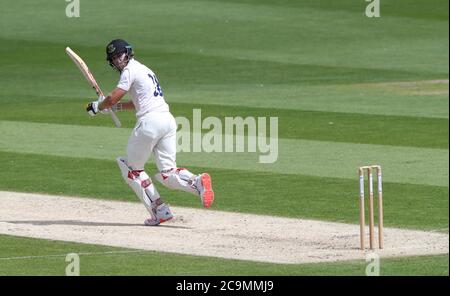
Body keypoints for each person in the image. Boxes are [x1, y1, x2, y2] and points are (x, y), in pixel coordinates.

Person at [86, 39, 214, 226]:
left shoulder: (130, 70)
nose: (117, 60)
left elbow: (113, 97)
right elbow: (137, 100)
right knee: (167, 174)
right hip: (167, 120)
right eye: (113, 58)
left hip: (150, 122)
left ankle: (159, 211)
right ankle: (197, 182)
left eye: (119, 55)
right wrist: (115, 107)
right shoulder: (145, 69)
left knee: (132, 169)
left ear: (128, 53)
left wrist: (98, 106)